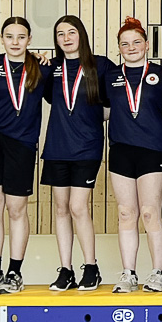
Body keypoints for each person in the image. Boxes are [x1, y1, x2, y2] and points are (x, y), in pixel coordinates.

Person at [0, 16, 47, 295]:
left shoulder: (41, 67)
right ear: (1, 39)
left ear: (29, 40)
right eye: (9, 36)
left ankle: (14, 272)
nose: (15, 42)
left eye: (21, 37)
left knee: (16, 209)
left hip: (22, 144)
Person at [43, 15, 114, 291]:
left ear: (81, 35)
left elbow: (115, 104)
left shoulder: (101, 65)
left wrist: (92, 121)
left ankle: (91, 267)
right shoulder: (52, 68)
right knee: (61, 209)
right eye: (60, 34)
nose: (66, 38)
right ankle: (66, 270)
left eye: (71, 32)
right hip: (57, 146)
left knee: (77, 207)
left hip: (87, 146)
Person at [105, 17, 162, 293]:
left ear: (146, 45)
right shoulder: (111, 76)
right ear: (119, 47)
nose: (131, 47)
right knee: (126, 213)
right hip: (121, 150)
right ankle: (128, 273)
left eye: (136, 42)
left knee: (149, 212)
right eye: (125, 43)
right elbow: (99, 109)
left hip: (153, 149)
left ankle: (159, 272)